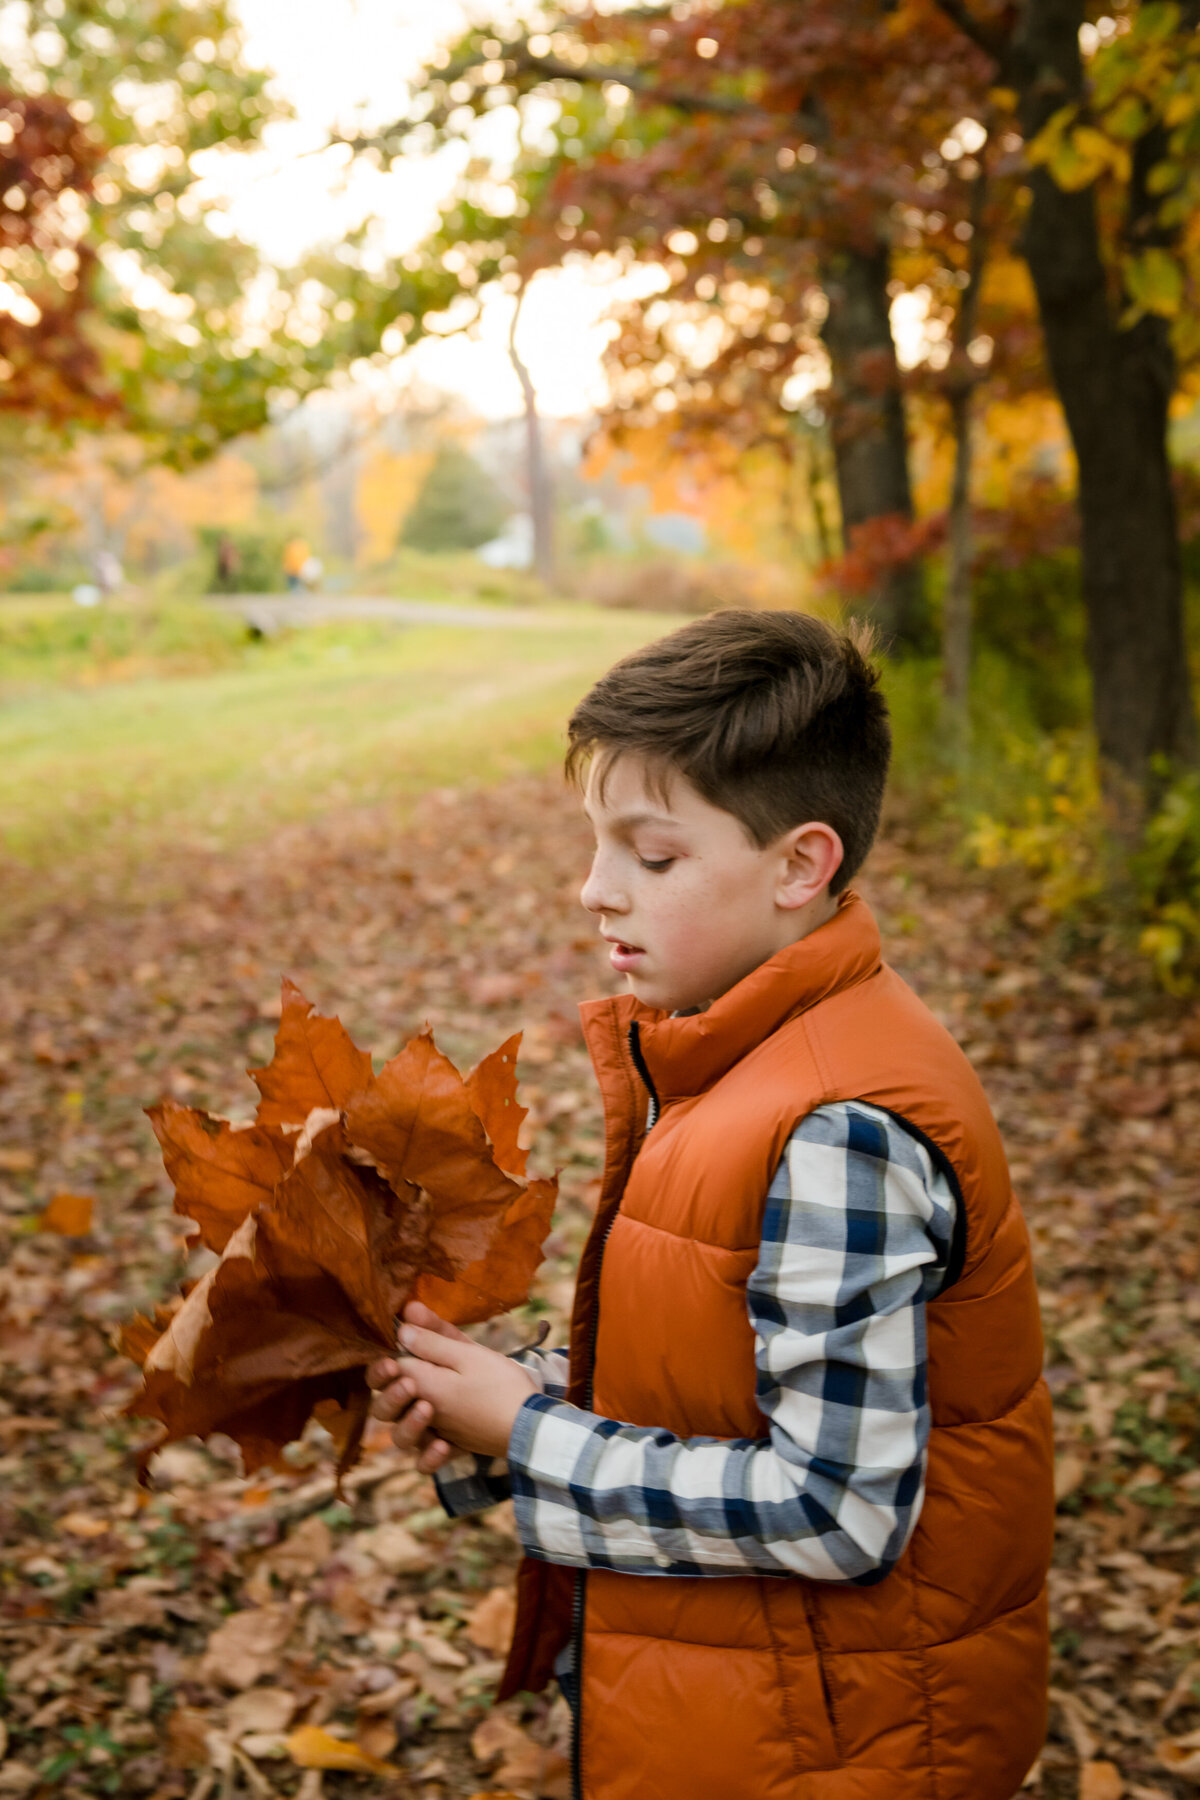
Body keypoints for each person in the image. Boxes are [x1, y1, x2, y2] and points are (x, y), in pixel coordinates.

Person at [368, 611, 1054, 1800]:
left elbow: (837, 1511)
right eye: (597, 846)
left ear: (801, 865)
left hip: (838, 1748)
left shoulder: (837, 1123)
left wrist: (530, 1439)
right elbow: (724, 1361)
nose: (595, 891)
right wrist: (512, 1395)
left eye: (654, 855)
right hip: (746, 1712)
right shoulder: (745, 1052)